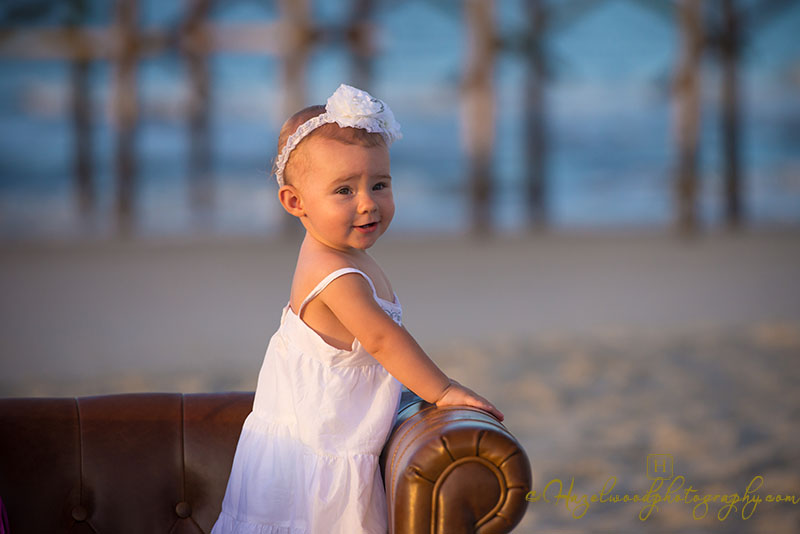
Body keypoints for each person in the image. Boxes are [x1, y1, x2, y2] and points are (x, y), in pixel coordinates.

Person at [211, 84, 504, 534]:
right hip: (318, 460)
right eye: (344, 190)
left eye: (379, 184)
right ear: (295, 202)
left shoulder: (340, 255)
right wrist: (441, 391)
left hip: (334, 442)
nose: (368, 202)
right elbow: (382, 339)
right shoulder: (336, 274)